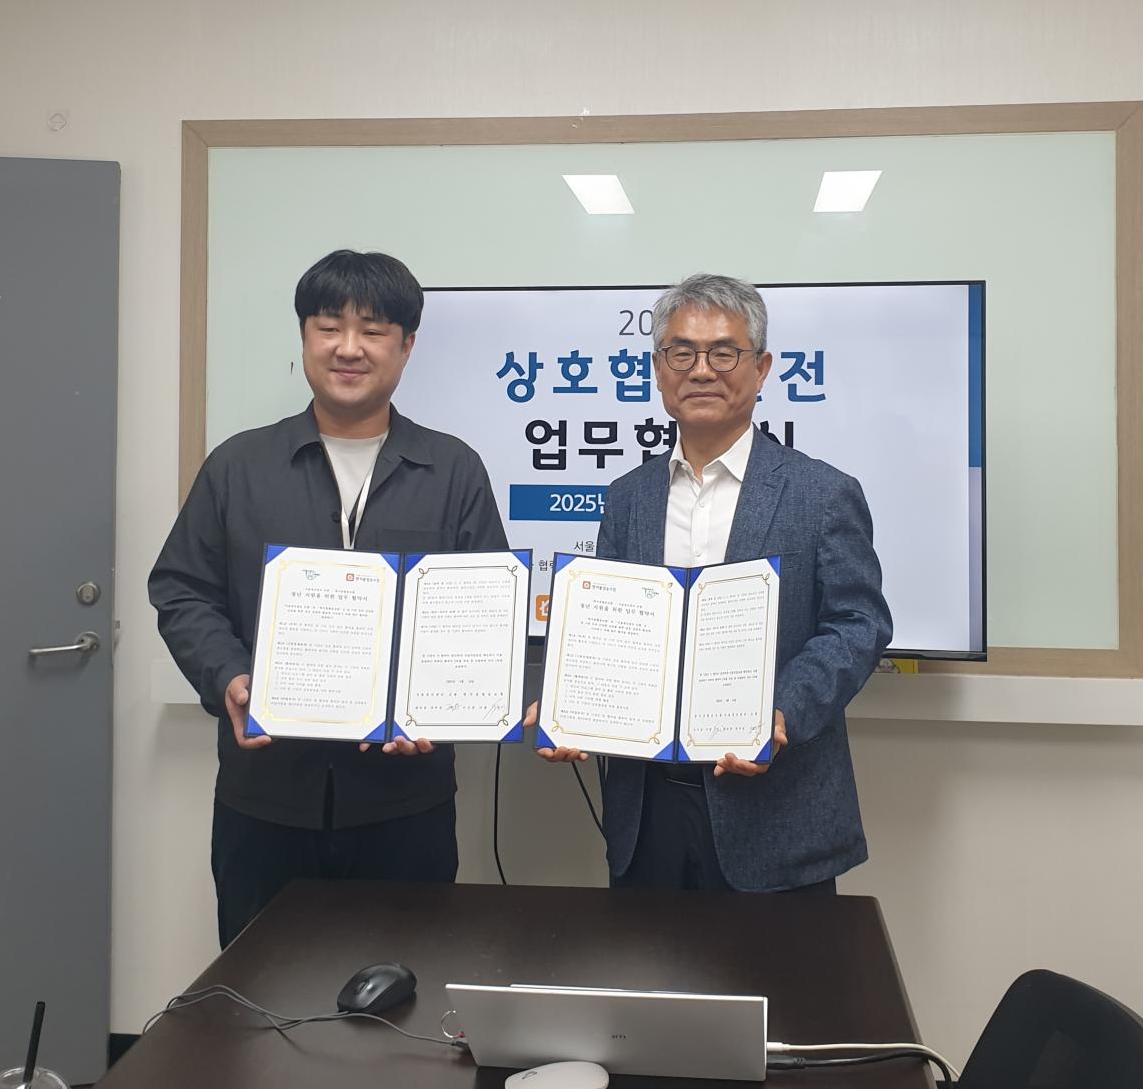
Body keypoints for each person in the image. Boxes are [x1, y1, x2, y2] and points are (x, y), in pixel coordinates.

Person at [151, 249, 508, 946]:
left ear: (406, 345)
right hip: (265, 798)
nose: (349, 348)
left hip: (405, 805)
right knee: (261, 987)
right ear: (304, 337)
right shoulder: (239, 466)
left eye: (373, 330)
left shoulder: (452, 470)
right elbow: (182, 588)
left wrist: (439, 707)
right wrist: (228, 675)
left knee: (405, 982)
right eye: (328, 327)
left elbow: (485, 614)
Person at [540, 273, 890, 893]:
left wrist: (783, 712)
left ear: (761, 369)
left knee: (783, 963)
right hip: (647, 810)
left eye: (724, 353)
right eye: (682, 353)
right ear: (658, 370)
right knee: (645, 958)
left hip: (775, 811)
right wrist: (570, 709)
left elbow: (858, 626)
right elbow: (606, 633)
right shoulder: (627, 497)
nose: (701, 370)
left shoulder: (823, 493)